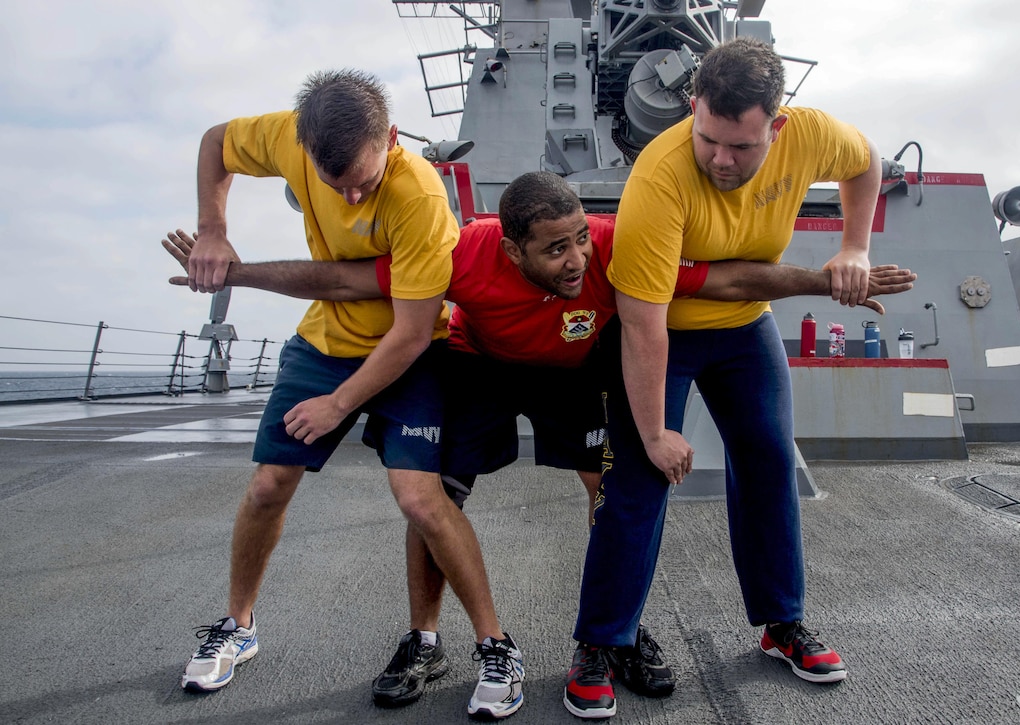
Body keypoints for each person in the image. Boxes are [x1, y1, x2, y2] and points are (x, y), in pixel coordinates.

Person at [165, 170, 912, 710]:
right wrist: (236, 271)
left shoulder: (614, 245)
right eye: (555, 249)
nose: (578, 260)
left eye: (580, 239)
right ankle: (424, 640)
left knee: (610, 488)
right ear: (513, 248)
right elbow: (345, 278)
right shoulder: (463, 252)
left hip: (574, 372)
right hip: (481, 366)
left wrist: (828, 280)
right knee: (438, 497)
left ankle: (620, 632)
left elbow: (717, 279)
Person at [177, 68, 525, 721]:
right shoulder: (289, 137)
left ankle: (483, 642)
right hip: (325, 342)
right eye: (339, 186)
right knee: (266, 486)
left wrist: (339, 406)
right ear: (305, 152)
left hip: (411, 349)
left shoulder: (418, 194)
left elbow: (412, 332)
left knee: (422, 497)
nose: (355, 196)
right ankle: (238, 624)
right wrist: (211, 228)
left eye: (365, 180)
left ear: (391, 138)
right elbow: (215, 142)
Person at [562, 37, 885, 719]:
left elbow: (866, 161)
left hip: (743, 325)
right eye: (709, 138)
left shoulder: (816, 134)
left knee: (768, 461)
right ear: (692, 107)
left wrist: (854, 246)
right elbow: (644, 322)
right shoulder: (660, 176)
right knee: (639, 480)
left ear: (779, 125)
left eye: (741, 146)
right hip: (665, 330)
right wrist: (655, 433)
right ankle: (599, 641)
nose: (721, 158)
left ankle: (781, 623)